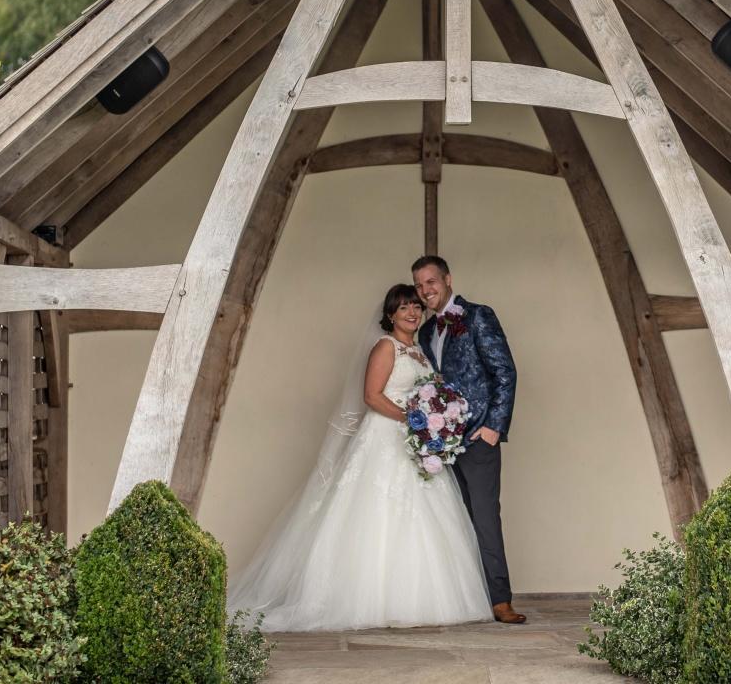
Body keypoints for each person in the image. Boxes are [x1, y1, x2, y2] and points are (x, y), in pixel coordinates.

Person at [225, 284, 491, 632]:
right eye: (403, 307)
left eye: (415, 306)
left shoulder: (421, 351)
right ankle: (370, 601)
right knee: (376, 514)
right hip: (386, 438)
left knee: (425, 514)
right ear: (390, 315)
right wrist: (415, 420)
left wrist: (431, 423)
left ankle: (419, 600)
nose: (411, 312)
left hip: (417, 444)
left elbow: (428, 393)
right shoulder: (385, 347)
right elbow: (372, 396)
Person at [412, 255, 526, 625]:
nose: (426, 290)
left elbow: (504, 372)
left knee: (485, 518)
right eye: (419, 285)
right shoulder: (427, 333)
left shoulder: (479, 316)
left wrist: (494, 426)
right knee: (454, 520)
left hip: (479, 437)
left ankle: (500, 600)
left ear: (447, 279)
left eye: (431, 282)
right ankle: (468, 599)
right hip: (442, 443)